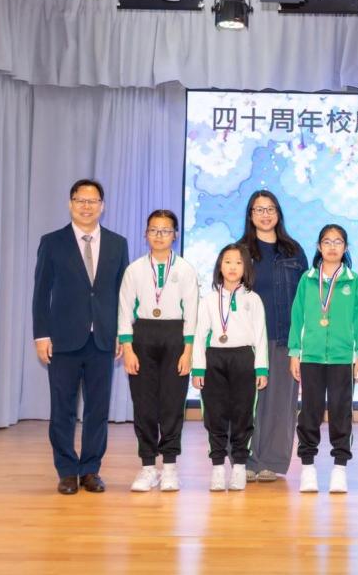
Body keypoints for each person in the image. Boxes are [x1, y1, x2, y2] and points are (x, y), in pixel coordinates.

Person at [31, 179, 130, 495]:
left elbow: (123, 294)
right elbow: (41, 292)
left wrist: (123, 333)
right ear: (70, 203)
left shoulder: (117, 243)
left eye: (93, 201)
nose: (86, 206)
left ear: (102, 205)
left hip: (103, 339)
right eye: (80, 200)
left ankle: (90, 470)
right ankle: (66, 471)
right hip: (63, 339)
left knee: (97, 409)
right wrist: (41, 335)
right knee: (63, 408)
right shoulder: (52, 242)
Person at [118, 210, 200, 492]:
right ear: (146, 234)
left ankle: (170, 467)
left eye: (165, 230)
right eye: (154, 230)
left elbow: (192, 312)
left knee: (172, 405)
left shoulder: (185, 270)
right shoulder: (134, 270)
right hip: (142, 337)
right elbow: (124, 310)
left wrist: (188, 351)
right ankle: (147, 467)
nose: (159, 235)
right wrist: (128, 348)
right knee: (144, 405)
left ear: (175, 235)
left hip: (175, 338)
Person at [289, 224, 358, 495]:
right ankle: (308, 467)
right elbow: (297, 316)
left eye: (338, 242)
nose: (332, 247)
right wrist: (294, 352)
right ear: (318, 247)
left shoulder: (354, 281)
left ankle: (339, 469)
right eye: (327, 241)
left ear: (345, 248)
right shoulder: (307, 279)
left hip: (342, 358)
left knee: (340, 412)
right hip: (310, 356)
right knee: (309, 412)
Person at [239, 190, 308, 483]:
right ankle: (245, 459)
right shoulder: (240, 251)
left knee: (281, 403)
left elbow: (306, 298)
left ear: (278, 213)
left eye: (270, 209)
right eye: (259, 209)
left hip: (283, 337)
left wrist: (301, 342)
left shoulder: (294, 251)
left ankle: (272, 462)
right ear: (250, 215)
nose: (265, 215)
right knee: (247, 402)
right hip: (247, 339)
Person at [191, 242, 268, 492]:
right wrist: (198, 368)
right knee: (215, 415)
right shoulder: (208, 300)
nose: (232, 267)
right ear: (219, 266)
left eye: (238, 262)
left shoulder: (253, 299)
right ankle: (217, 467)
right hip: (214, 359)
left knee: (243, 415)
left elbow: (260, 335)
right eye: (227, 262)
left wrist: (261, 368)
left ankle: (239, 467)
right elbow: (199, 335)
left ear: (246, 268)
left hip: (244, 359)